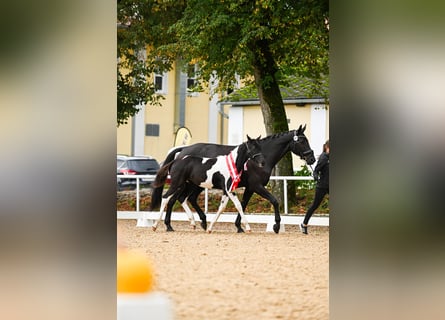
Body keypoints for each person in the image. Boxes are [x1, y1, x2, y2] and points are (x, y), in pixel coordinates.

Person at [300, 140, 329, 234]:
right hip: (322, 186)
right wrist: (316, 176)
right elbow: (316, 170)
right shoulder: (323, 158)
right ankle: (304, 224)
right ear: (327, 147)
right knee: (314, 205)